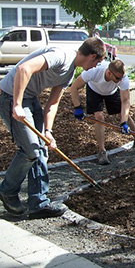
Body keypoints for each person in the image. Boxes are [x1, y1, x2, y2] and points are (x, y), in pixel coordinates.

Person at [0, 37, 106, 219]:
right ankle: (7, 191)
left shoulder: (70, 72)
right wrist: (17, 104)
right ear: (92, 56)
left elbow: (53, 102)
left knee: (42, 148)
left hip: (31, 99)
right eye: (98, 62)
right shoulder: (61, 55)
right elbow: (23, 69)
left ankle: (38, 204)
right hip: (11, 96)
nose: (97, 66)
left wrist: (48, 132)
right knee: (30, 150)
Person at [69, 59, 135, 165]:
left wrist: (123, 122)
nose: (120, 80)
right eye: (117, 78)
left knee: (126, 115)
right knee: (99, 117)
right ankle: (102, 151)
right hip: (94, 90)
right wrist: (77, 107)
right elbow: (74, 87)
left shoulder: (122, 79)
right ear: (109, 73)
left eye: (121, 78)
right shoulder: (93, 71)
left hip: (111, 92)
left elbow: (125, 101)